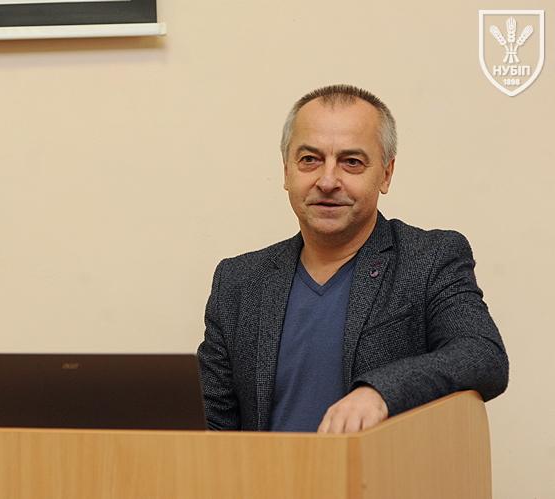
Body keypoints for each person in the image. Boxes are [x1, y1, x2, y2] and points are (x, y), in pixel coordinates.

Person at [197, 84, 509, 434]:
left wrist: (381, 392)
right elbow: (213, 427)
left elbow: (482, 355)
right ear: (286, 171)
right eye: (310, 159)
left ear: (386, 174)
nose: (328, 180)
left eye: (352, 162)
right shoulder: (238, 282)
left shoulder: (429, 259)